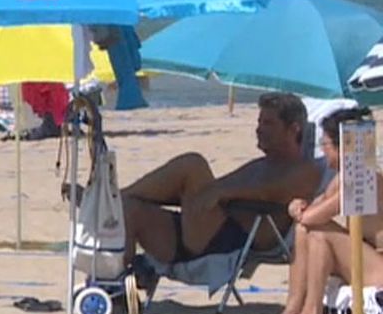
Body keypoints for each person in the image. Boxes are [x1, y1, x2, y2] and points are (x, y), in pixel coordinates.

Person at [123, 92, 321, 269]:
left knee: (193, 165)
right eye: (259, 122)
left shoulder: (304, 169)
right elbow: (214, 188)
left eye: (268, 123)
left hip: (228, 242)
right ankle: (117, 284)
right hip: (201, 230)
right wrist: (201, 194)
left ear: (294, 129)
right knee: (129, 208)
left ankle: (115, 196)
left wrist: (224, 192)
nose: (259, 129)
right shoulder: (260, 164)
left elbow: (271, 192)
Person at [274, 107, 383, 314]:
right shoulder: (342, 179)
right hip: (369, 261)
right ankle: (295, 307)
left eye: (324, 145)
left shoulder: (366, 178)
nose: (323, 151)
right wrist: (296, 206)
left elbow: (313, 216)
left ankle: (311, 313)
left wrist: (300, 212)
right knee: (305, 230)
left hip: (379, 269)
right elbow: (313, 209)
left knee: (317, 233)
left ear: (341, 147)